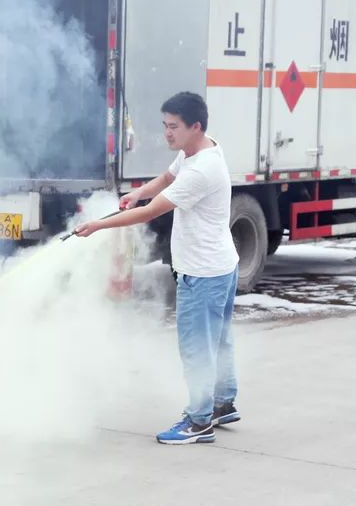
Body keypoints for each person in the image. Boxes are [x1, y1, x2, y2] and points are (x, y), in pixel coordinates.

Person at [74, 91, 241, 445]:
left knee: (197, 348)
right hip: (221, 266)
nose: (167, 133)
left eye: (173, 127)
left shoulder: (203, 169)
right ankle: (223, 403)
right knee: (219, 341)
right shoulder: (199, 149)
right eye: (165, 125)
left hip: (203, 273)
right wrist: (137, 193)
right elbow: (166, 179)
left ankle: (199, 422)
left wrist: (100, 226)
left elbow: (153, 213)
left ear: (195, 126)